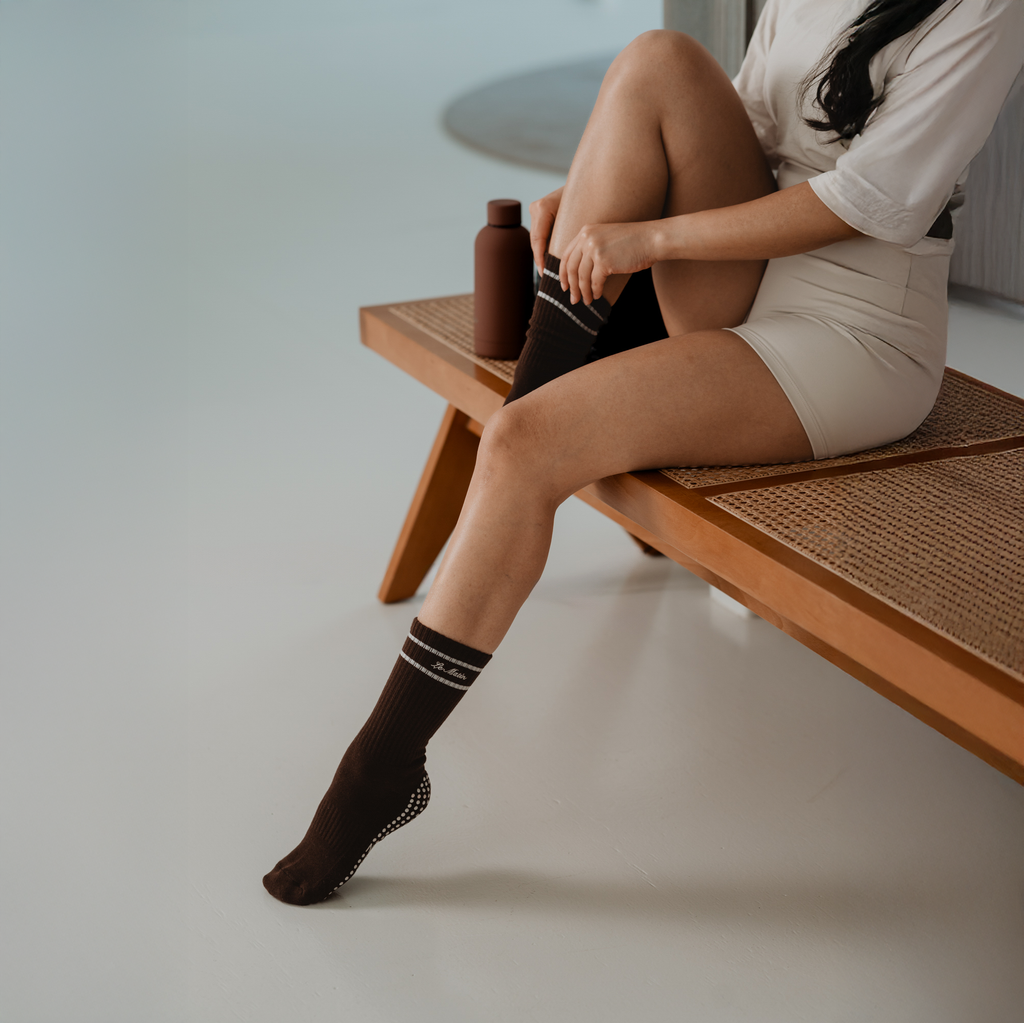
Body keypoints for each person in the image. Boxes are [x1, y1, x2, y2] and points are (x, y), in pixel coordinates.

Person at [263, 0, 1024, 905]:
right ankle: (527, 431)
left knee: (524, 440)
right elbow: (738, 122)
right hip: (743, 280)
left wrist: (647, 236)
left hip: (852, 330)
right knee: (659, 58)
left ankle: (381, 769)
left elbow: (869, 201)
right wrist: (586, 191)